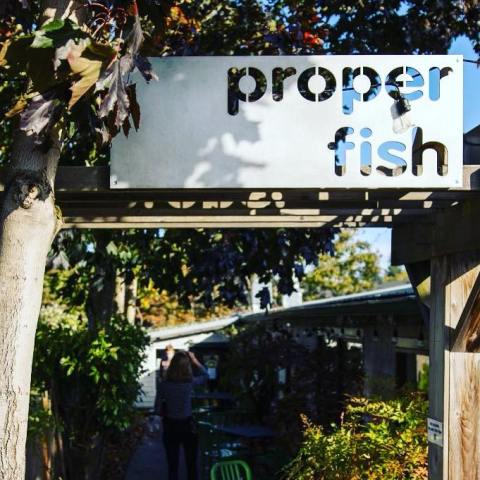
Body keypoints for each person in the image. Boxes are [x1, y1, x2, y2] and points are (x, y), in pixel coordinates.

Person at [156, 350, 208, 480]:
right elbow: (206, 374)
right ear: (187, 367)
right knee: (191, 464)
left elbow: (157, 408)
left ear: (172, 365)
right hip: (187, 426)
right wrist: (194, 359)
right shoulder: (190, 383)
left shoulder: (163, 384)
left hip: (170, 426)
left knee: (172, 465)